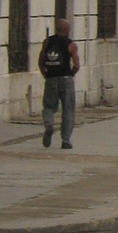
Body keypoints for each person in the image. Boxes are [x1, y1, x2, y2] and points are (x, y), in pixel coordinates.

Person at [38, 18, 80, 149]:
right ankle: (66, 140)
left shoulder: (47, 42)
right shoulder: (71, 44)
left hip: (51, 78)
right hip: (66, 79)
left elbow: (40, 61)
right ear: (66, 30)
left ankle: (49, 124)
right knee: (68, 109)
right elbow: (77, 64)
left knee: (49, 106)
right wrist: (71, 74)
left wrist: (46, 75)